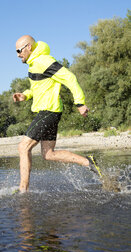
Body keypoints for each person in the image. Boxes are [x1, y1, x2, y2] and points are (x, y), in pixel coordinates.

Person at [13, 35, 102, 193]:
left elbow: (69, 77)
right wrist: (25, 95)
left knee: (23, 147)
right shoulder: (34, 65)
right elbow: (37, 89)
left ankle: (22, 191)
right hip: (49, 111)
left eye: (19, 50)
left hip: (49, 110)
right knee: (48, 154)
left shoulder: (43, 61)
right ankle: (88, 162)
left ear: (29, 47)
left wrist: (80, 102)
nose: (18, 54)